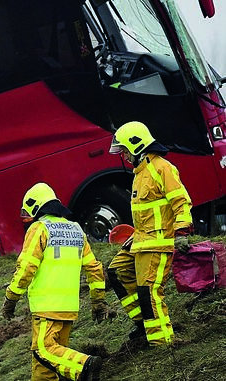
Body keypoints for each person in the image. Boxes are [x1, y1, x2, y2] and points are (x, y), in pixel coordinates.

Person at [2, 183, 108, 381]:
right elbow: (94, 269)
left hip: (46, 308)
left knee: (43, 350)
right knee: (45, 365)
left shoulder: (39, 229)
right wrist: (98, 302)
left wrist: (11, 298)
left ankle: (83, 367)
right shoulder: (76, 230)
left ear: (36, 207)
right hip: (68, 309)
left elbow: (26, 268)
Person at [106, 120, 193, 348]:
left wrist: (182, 232)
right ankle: (144, 324)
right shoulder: (140, 172)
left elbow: (181, 202)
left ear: (136, 146)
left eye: (124, 150)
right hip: (141, 241)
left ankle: (161, 343)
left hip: (157, 243)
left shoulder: (162, 168)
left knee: (149, 292)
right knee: (116, 271)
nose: (123, 156)